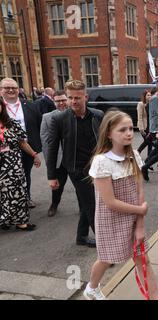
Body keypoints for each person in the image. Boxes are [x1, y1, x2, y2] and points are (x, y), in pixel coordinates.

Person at [84, 110, 153, 300]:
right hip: (111, 219)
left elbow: (139, 192)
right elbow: (110, 202)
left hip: (133, 217)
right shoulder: (101, 162)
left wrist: (139, 224)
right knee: (106, 258)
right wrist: (140, 210)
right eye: (122, 130)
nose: (129, 133)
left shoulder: (135, 156)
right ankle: (92, 287)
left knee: (143, 259)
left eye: (131, 128)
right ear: (108, 134)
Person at [47, 80, 104, 248]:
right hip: (76, 169)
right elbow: (52, 148)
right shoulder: (59, 119)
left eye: (77, 98)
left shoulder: (98, 115)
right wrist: (52, 176)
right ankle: (104, 245)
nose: (73, 101)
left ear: (86, 97)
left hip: (97, 167)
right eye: (70, 97)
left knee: (88, 202)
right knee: (92, 205)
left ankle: (81, 236)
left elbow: (106, 140)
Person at [1, 78, 42, 208]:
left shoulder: (30, 105)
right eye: (7, 88)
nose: (11, 90)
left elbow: (38, 125)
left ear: (18, 90)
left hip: (26, 147)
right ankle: (6, 203)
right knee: (5, 178)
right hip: (5, 151)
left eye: (14, 87)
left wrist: (36, 150)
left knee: (25, 174)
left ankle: (26, 198)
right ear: (1, 90)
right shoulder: (1, 106)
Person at [0, 98, 41, 231]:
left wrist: (34, 155)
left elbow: (22, 143)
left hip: (13, 164)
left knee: (17, 192)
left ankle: (20, 222)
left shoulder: (12, 123)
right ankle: (4, 220)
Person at [40, 90, 69, 217]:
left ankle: (83, 207)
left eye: (63, 100)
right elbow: (45, 141)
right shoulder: (47, 117)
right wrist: (49, 161)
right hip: (58, 159)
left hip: (75, 158)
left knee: (81, 186)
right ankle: (54, 204)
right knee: (57, 185)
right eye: (58, 101)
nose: (61, 103)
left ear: (67, 100)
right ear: (54, 102)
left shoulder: (75, 114)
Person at [141, 81, 158, 182]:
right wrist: (157, 131)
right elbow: (154, 115)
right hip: (157, 131)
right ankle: (145, 167)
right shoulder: (155, 99)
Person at [137, 89, 153, 155]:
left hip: (150, 126)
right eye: (148, 95)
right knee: (147, 141)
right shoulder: (141, 104)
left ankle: (149, 157)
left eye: (150, 95)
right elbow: (139, 117)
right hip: (144, 126)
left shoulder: (151, 104)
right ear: (144, 96)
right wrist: (141, 128)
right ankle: (137, 152)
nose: (149, 96)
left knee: (150, 143)